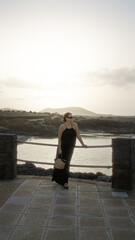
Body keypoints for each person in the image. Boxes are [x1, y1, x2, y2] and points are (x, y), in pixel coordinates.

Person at [52, 112, 87, 189]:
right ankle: (59, 180)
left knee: (67, 164)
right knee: (60, 163)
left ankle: (65, 182)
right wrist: (60, 149)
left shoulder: (75, 125)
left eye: (72, 117)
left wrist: (83, 144)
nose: (71, 118)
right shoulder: (62, 126)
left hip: (70, 148)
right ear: (66, 118)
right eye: (69, 117)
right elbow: (59, 138)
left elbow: (78, 135)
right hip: (62, 148)